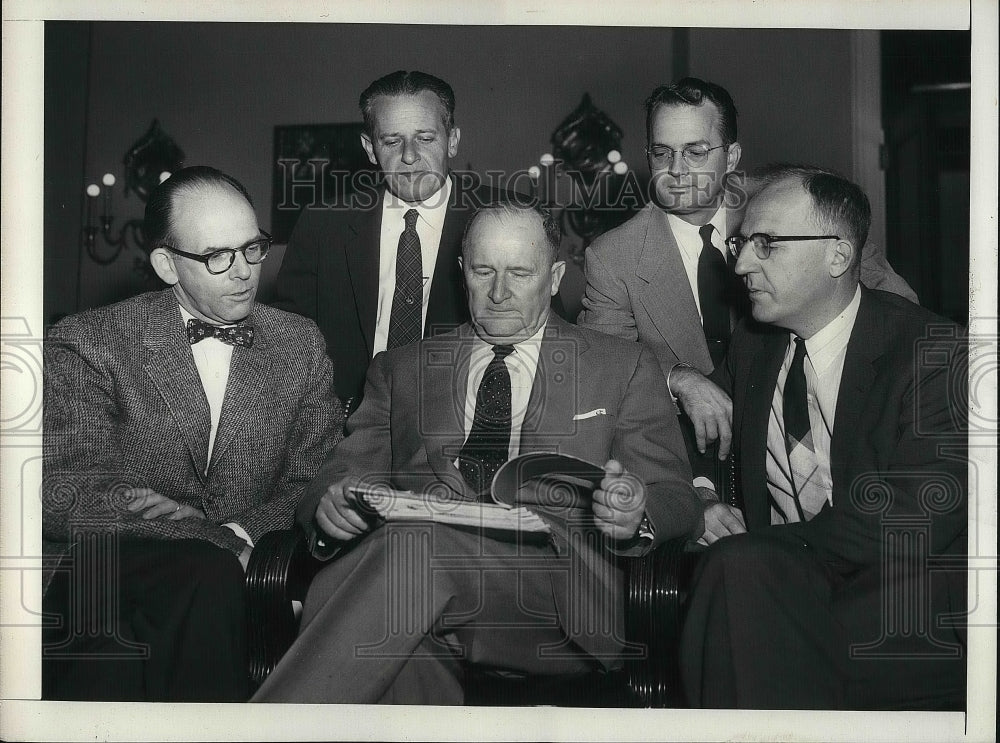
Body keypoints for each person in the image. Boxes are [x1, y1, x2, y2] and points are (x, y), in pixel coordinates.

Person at [252, 202, 702, 704]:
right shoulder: (401, 369)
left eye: (520, 273)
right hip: (415, 591)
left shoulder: (622, 366)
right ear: (461, 271)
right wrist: (332, 506)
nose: (499, 292)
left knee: (403, 558)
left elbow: (678, 499)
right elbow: (339, 478)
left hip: (560, 602)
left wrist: (636, 512)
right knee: (398, 623)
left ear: (554, 278)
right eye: (484, 271)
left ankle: (268, 729)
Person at [41, 166, 344, 701]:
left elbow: (311, 475)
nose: (244, 272)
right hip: (112, 565)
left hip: (237, 568)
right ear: (166, 265)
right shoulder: (90, 342)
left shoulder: (297, 343)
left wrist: (247, 536)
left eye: (253, 248)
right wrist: (218, 539)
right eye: (216, 257)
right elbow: (69, 493)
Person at [679, 165, 967, 709]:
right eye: (742, 242)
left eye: (766, 245)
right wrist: (702, 497)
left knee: (734, 576)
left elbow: (914, 517)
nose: (740, 263)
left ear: (837, 255)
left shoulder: (935, 352)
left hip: (898, 602)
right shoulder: (755, 344)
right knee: (736, 582)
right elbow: (693, 440)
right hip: (774, 585)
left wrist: (758, 548)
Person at [577, 77, 917, 470]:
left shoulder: (786, 206)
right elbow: (601, 365)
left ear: (732, 156)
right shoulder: (613, 256)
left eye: (696, 152)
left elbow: (894, 302)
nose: (675, 170)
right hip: (691, 463)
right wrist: (677, 378)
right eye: (661, 153)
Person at [270, 70, 496, 413]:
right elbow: (287, 342)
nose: (409, 155)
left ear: (452, 141)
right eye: (392, 141)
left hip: (463, 426)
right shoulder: (323, 224)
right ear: (370, 148)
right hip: (344, 430)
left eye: (425, 138)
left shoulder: (506, 219)